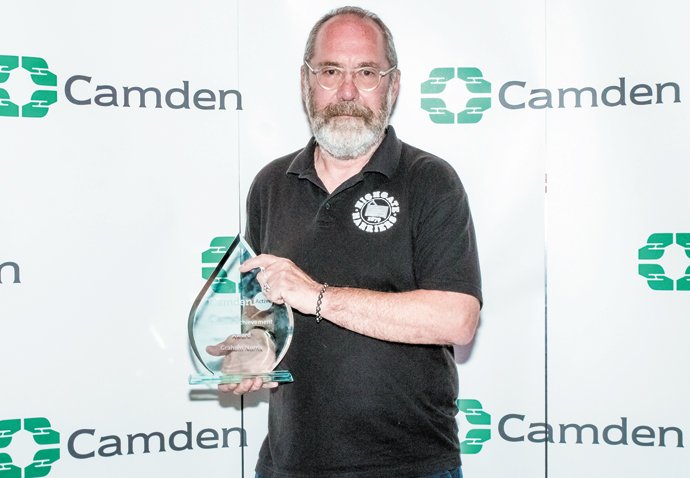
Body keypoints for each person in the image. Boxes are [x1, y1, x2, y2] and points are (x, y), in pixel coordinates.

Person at [218, 6, 482, 478]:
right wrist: (252, 350)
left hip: (409, 468)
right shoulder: (270, 184)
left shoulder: (430, 180)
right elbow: (261, 315)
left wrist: (317, 297)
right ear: (306, 82)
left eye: (366, 72)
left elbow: (457, 320)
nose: (346, 91)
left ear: (392, 86)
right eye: (330, 71)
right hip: (287, 465)